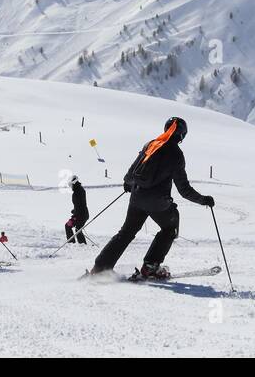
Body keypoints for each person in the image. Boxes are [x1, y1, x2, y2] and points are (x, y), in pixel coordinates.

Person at [89, 116, 214, 280]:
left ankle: (100, 268)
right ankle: (150, 267)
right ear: (182, 135)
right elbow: (184, 190)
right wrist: (203, 200)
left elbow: (132, 171)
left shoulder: (151, 144)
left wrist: (128, 184)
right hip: (158, 203)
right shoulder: (176, 154)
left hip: (137, 197)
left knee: (126, 232)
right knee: (170, 228)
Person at [65, 175, 90, 244]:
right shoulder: (80, 190)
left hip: (81, 215)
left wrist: (75, 215)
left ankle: (71, 243)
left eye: (70, 185)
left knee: (68, 226)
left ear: (74, 184)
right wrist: (74, 210)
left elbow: (79, 205)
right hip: (82, 214)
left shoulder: (77, 192)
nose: (70, 187)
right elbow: (80, 204)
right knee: (78, 229)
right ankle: (82, 244)